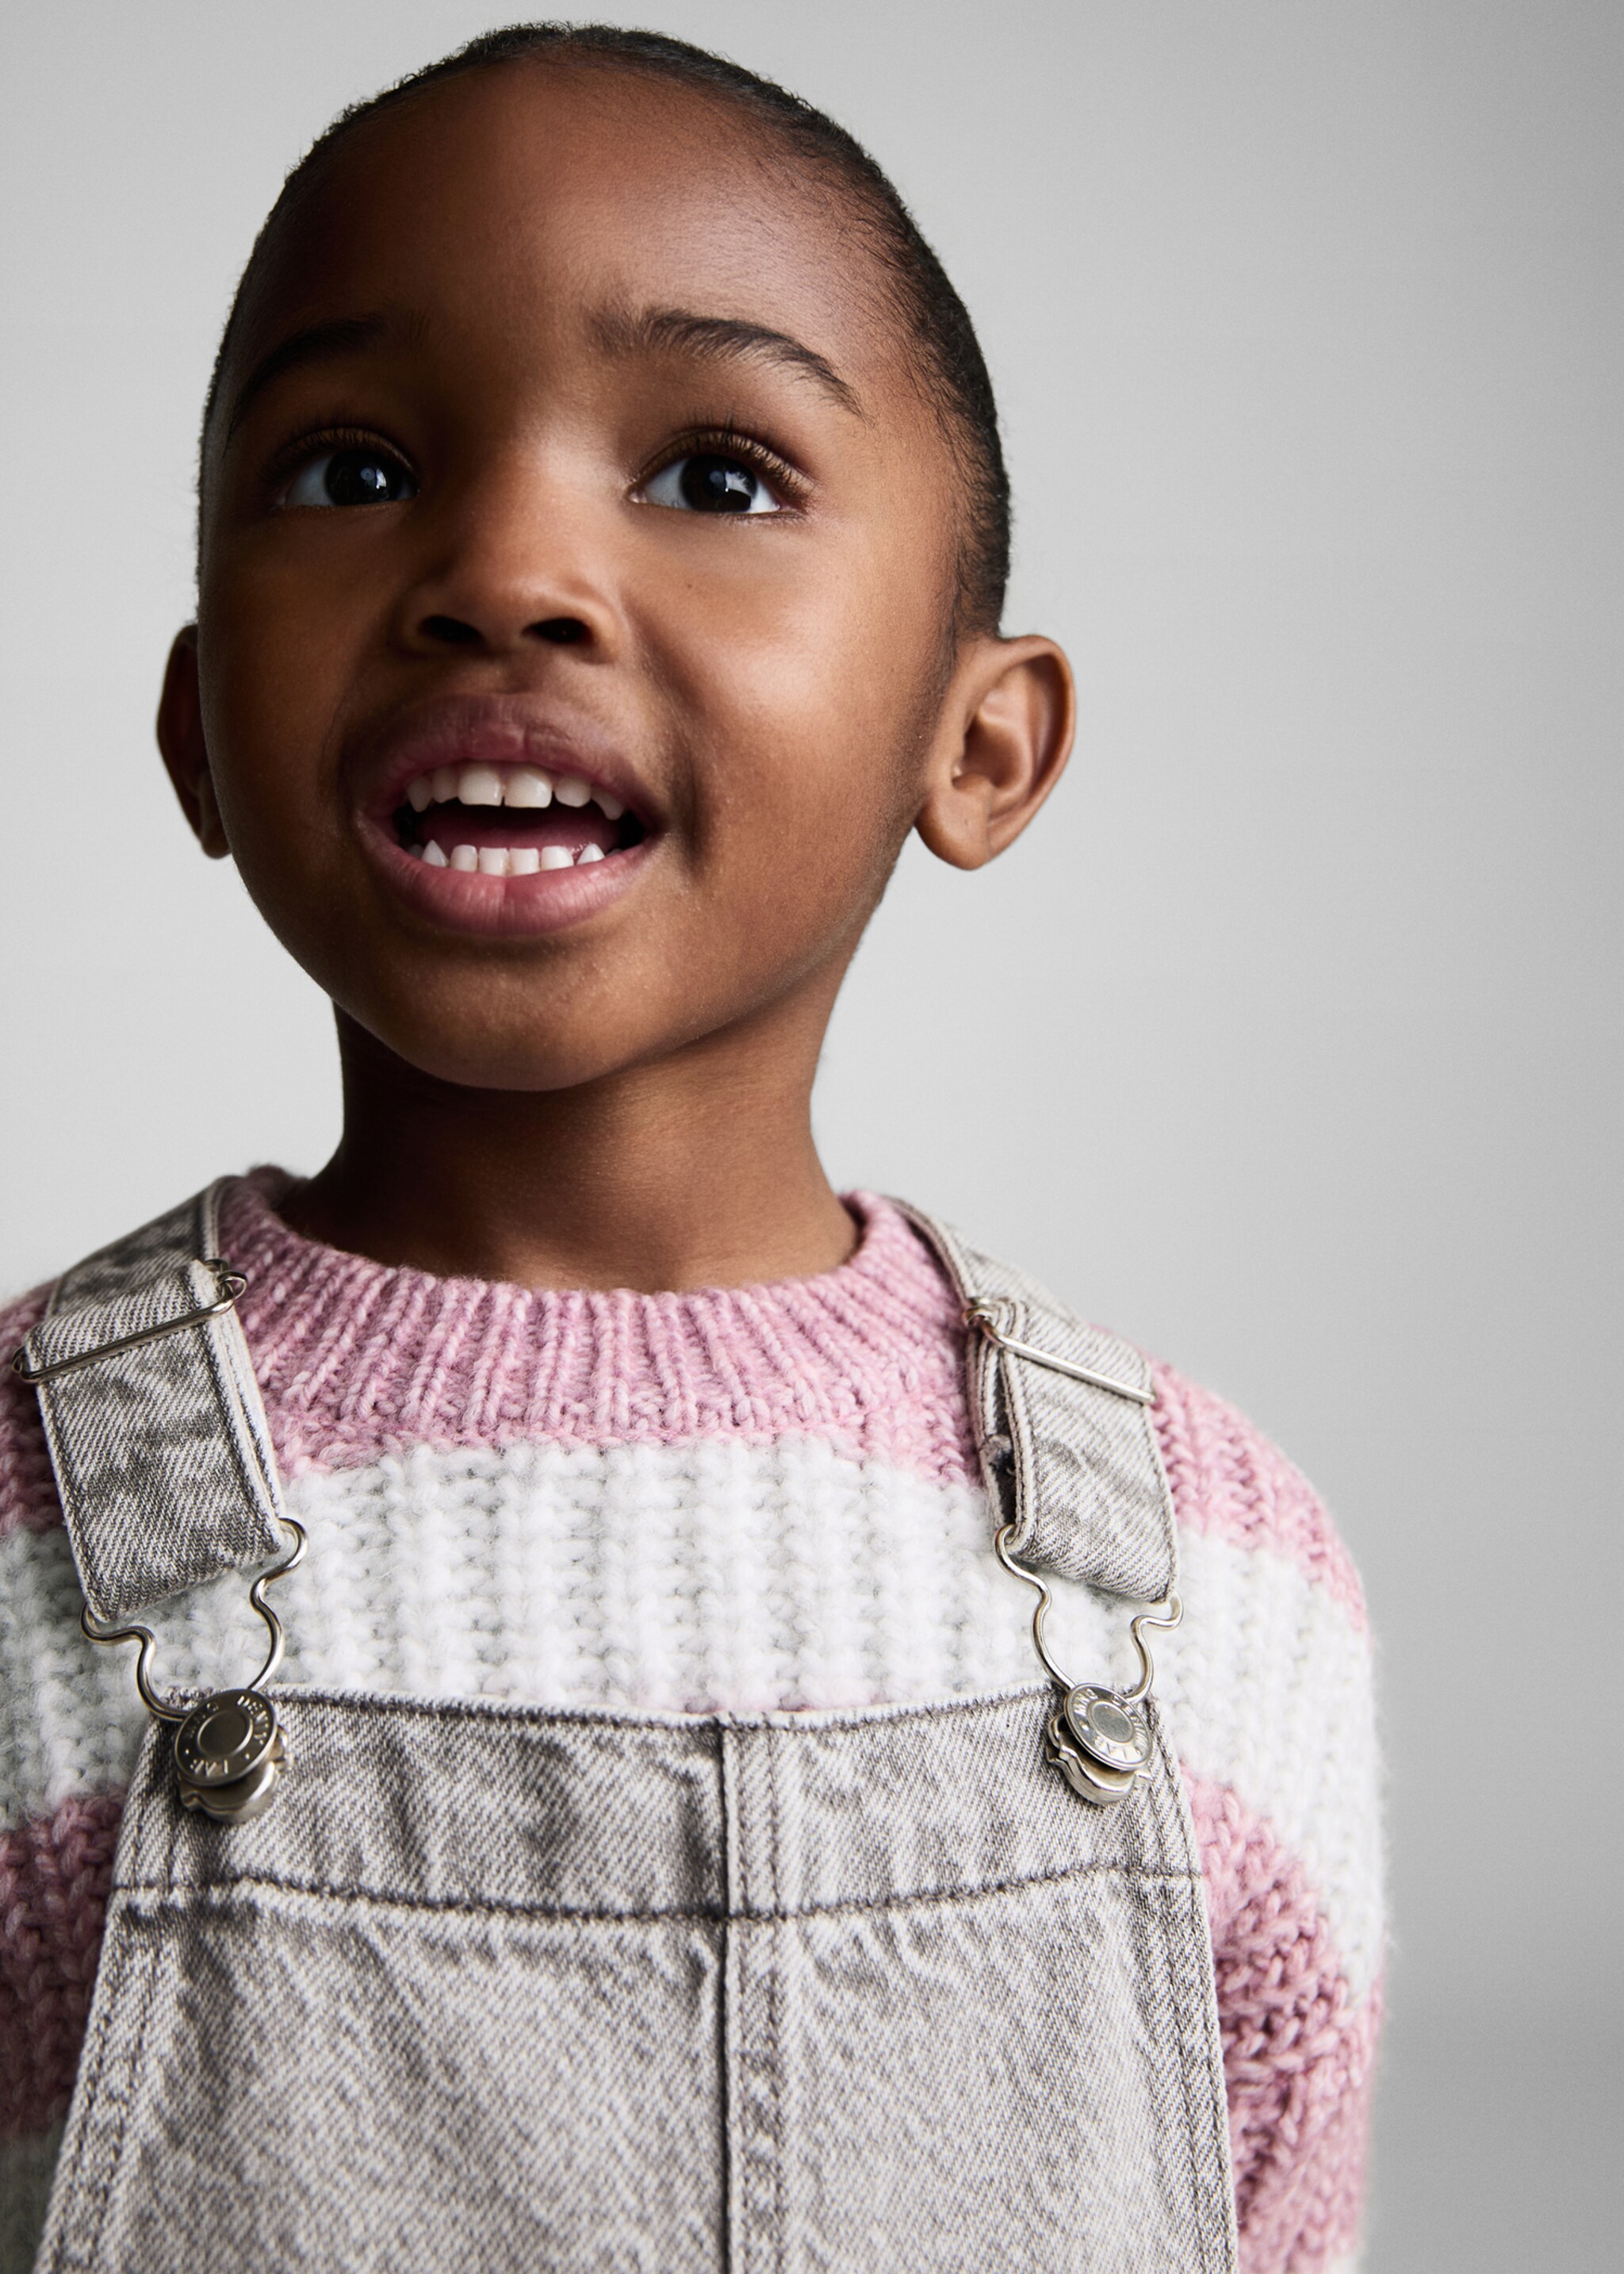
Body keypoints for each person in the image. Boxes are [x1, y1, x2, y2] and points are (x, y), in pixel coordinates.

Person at [0, 25, 1381, 2273]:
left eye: (716, 477)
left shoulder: (1213, 1590)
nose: (504, 572)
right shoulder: (18, 1533)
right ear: (199, 735)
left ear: (985, 737)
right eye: (353, 474)